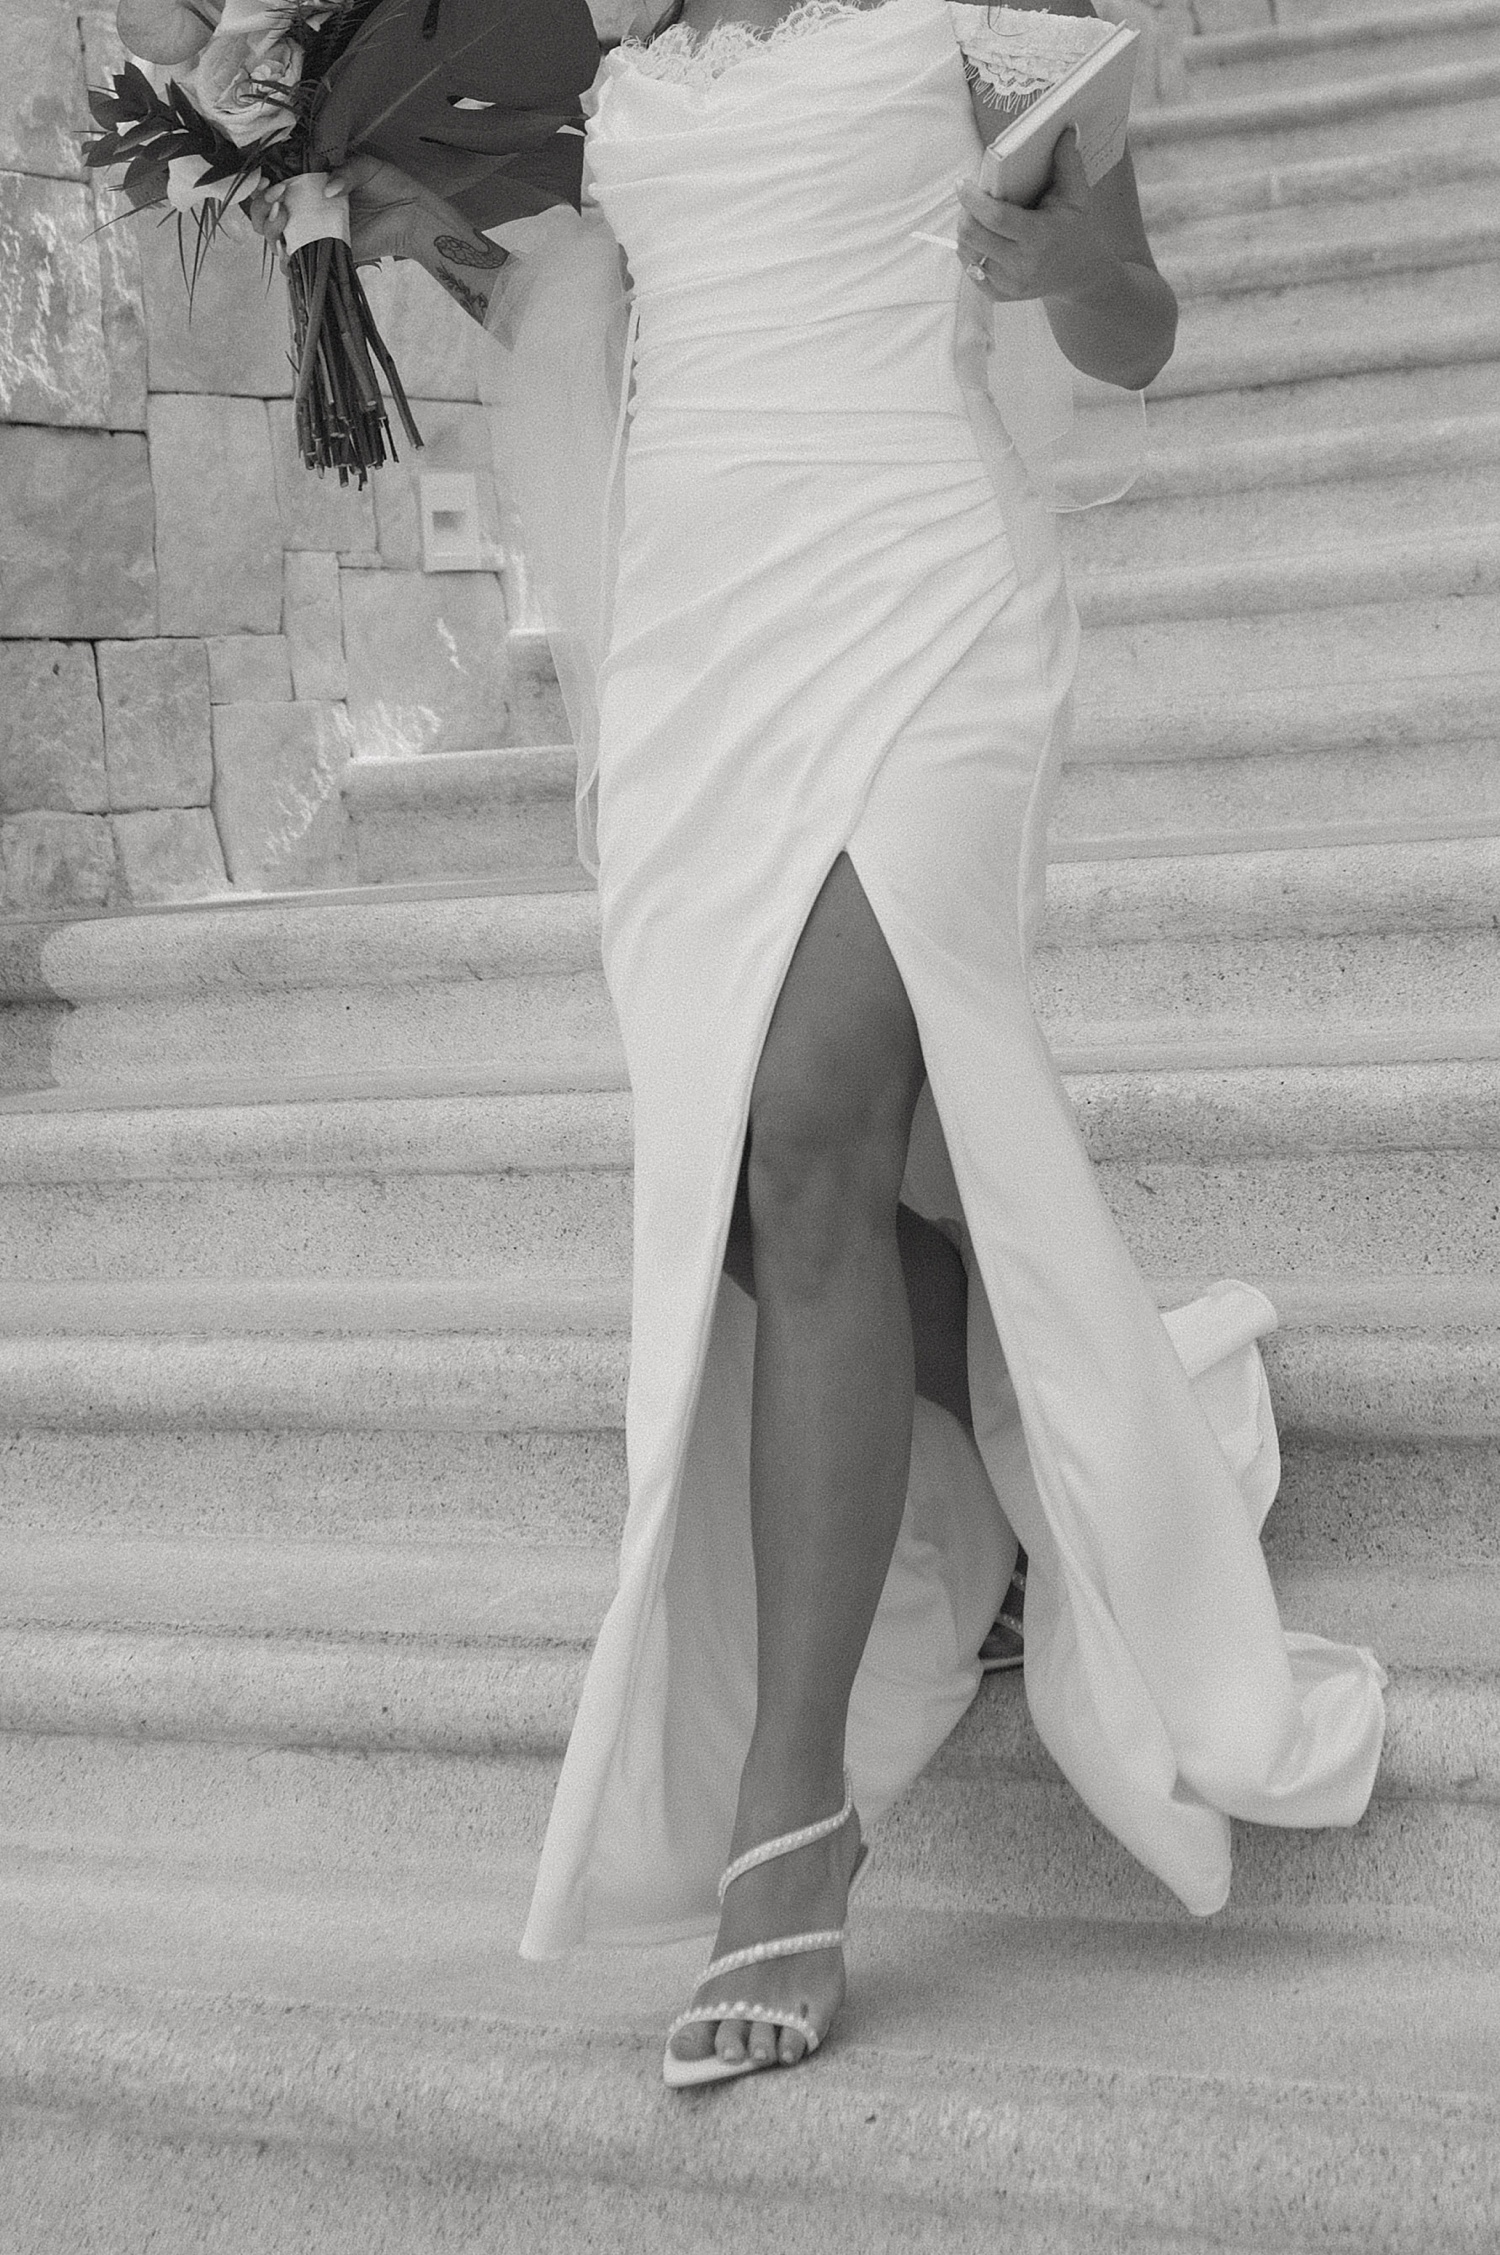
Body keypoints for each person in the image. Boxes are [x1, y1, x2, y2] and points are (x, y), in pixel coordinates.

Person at [200, 0, 1385, 2092]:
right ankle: (1059, 1466)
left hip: (920, 591)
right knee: (755, 1193)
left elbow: (1132, 329)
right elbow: (611, 305)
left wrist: (1065, 259)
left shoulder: (989, 19)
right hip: (694, 633)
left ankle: (790, 1825)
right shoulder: (609, 43)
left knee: (815, 1123)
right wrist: (383, 217)